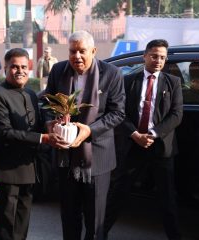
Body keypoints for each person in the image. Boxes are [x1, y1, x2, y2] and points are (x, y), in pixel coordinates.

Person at [43, 30, 125, 240]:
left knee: (95, 220)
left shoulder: (111, 74)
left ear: (93, 51)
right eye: (73, 51)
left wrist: (90, 130)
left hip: (97, 158)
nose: (77, 56)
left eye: (82, 51)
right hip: (65, 156)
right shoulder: (58, 70)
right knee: (69, 217)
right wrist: (51, 123)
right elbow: (47, 103)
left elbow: (118, 113)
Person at [104, 39, 183, 240]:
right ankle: (98, 233)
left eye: (163, 57)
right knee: (118, 194)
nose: (158, 60)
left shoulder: (172, 82)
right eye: (154, 56)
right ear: (145, 56)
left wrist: (154, 134)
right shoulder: (129, 81)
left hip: (161, 148)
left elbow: (176, 114)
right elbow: (119, 113)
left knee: (168, 199)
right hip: (133, 145)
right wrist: (135, 134)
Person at [0, 48, 65, 240]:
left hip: (30, 169)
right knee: (7, 226)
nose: (19, 71)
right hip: (8, 171)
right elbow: (5, 133)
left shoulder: (31, 94)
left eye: (23, 67)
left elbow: (36, 126)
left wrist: (51, 126)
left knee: (22, 223)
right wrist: (43, 138)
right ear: (5, 68)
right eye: (14, 67)